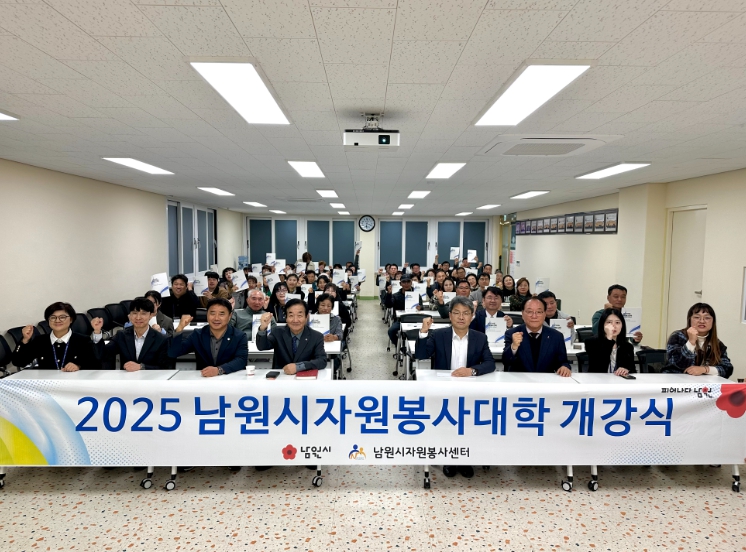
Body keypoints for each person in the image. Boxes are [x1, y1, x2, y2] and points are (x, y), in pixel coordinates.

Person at [416, 297, 495, 479]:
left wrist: (471, 371)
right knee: (447, 424)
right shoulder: (438, 335)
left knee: (467, 424)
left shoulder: (480, 337)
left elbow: (490, 363)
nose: (461, 317)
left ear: (472, 316)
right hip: (443, 390)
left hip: (470, 391)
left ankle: (464, 459)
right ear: (450, 315)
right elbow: (421, 355)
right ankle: (449, 459)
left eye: (466, 313)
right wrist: (423, 332)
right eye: (457, 313)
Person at [169, 298, 248, 377]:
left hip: (231, 379)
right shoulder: (198, 335)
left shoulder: (239, 336)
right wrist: (179, 328)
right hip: (204, 379)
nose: (216, 318)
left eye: (221, 314)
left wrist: (219, 370)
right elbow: (173, 353)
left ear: (230, 316)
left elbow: (241, 360)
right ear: (207, 314)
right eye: (212, 313)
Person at [12, 302, 100, 371]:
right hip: (47, 384)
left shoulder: (83, 340)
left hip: (73, 384)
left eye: (62, 317)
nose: (57, 320)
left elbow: (95, 365)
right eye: (53, 317)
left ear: (71, 319)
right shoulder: (40, 341)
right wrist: (25, 340)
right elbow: (19, 362)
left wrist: (78, 366)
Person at [91, 297, 173, 371]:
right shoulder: (122, 335)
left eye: (143, 313)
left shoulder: (161, 339)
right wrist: (97, 331)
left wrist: (141, 367)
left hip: (151, 380)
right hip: (127, 380)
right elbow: (102, 355)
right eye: (134, 313)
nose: (138, 317)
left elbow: (166, 367)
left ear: (151, 315)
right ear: (129, 315)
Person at [503, 297, 572, 376]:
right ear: (522, 314)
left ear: (544, 314)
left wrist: (564, 367)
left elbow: (563, 362)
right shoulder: (512, 333)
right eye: (529, 312)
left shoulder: (556, 336)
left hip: (546, 381)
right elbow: (506, 361)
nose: (534, 316)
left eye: (539, 312)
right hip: (520, 381)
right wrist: (514, 347)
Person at [256, 299, 327, 373]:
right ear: (286, 318)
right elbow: (262, 346)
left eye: (299, 316)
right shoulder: (278, 332)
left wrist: (299, 367)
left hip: (305, 376)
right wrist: (263, 328)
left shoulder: (316, 336)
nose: (295, 320)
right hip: (281, 376)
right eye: (291, 315)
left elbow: (322, 361)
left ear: (306, 317)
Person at [664, 303, 733, 378]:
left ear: (713, 322)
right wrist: (691, 343)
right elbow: (677, 364)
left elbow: (727, 369)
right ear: (689, 320)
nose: (702, 321)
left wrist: (705, 369)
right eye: (697, 317)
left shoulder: (717, 343)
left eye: (707, 318)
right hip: (675, 380)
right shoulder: (678, 336)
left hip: (702, 383)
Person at [584, 308, 635, 376]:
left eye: (617, 322)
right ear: (602, 324)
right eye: (609, 322)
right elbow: (599, 366)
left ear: (622, 325)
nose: (613, 326)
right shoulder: (591, 342)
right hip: (598, 380)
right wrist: (609, 338)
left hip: (619, 381)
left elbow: (632, 369)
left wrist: (626, 369)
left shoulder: (627, 346)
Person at [385, 274, 423, 345]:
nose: (406, 284)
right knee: (391, 331)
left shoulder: (416, 295)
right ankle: (399, 346)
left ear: (411, 283)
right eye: (404, 282)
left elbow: (421, 306)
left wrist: (420, 307)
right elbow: (388, 305)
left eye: (408, 282)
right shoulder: (395, 295)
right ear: (400, 284)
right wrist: (389, 294)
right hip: (400, 320)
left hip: (415, 319)